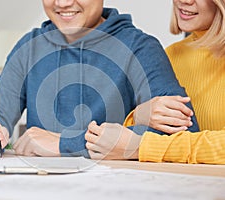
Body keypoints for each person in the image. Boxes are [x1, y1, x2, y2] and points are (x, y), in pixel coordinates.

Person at [0, 0, 199, 159]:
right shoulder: (28, 47)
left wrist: (65, 144)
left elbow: (181, 134)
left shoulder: (141, 47)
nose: (63, 3)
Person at [85, 0, 225, 164]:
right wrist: (138, 116)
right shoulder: (172, 55)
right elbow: (120, 143)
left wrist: (141, 146)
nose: (184, 0)